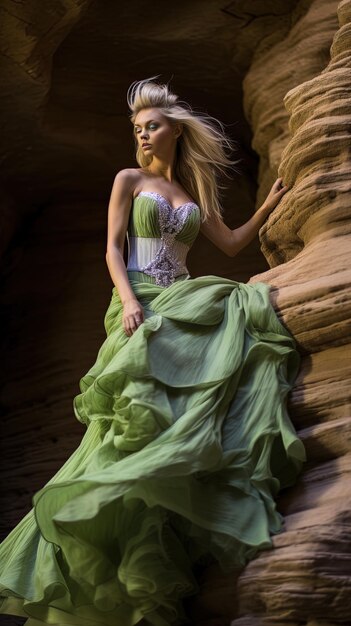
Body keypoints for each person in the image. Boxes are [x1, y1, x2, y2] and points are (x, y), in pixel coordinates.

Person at [0, 77, 306, 626]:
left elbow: (233, 244)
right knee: (136, 410)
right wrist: (128, 299)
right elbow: (113, 250)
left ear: (174, 131)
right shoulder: (128, 179)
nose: (143, 135)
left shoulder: (192, 193)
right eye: (137, 129)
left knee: (237, 311)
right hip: (138, 297)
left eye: (152, 126)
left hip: (179, 294)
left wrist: (273, 202)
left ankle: (177, 495)